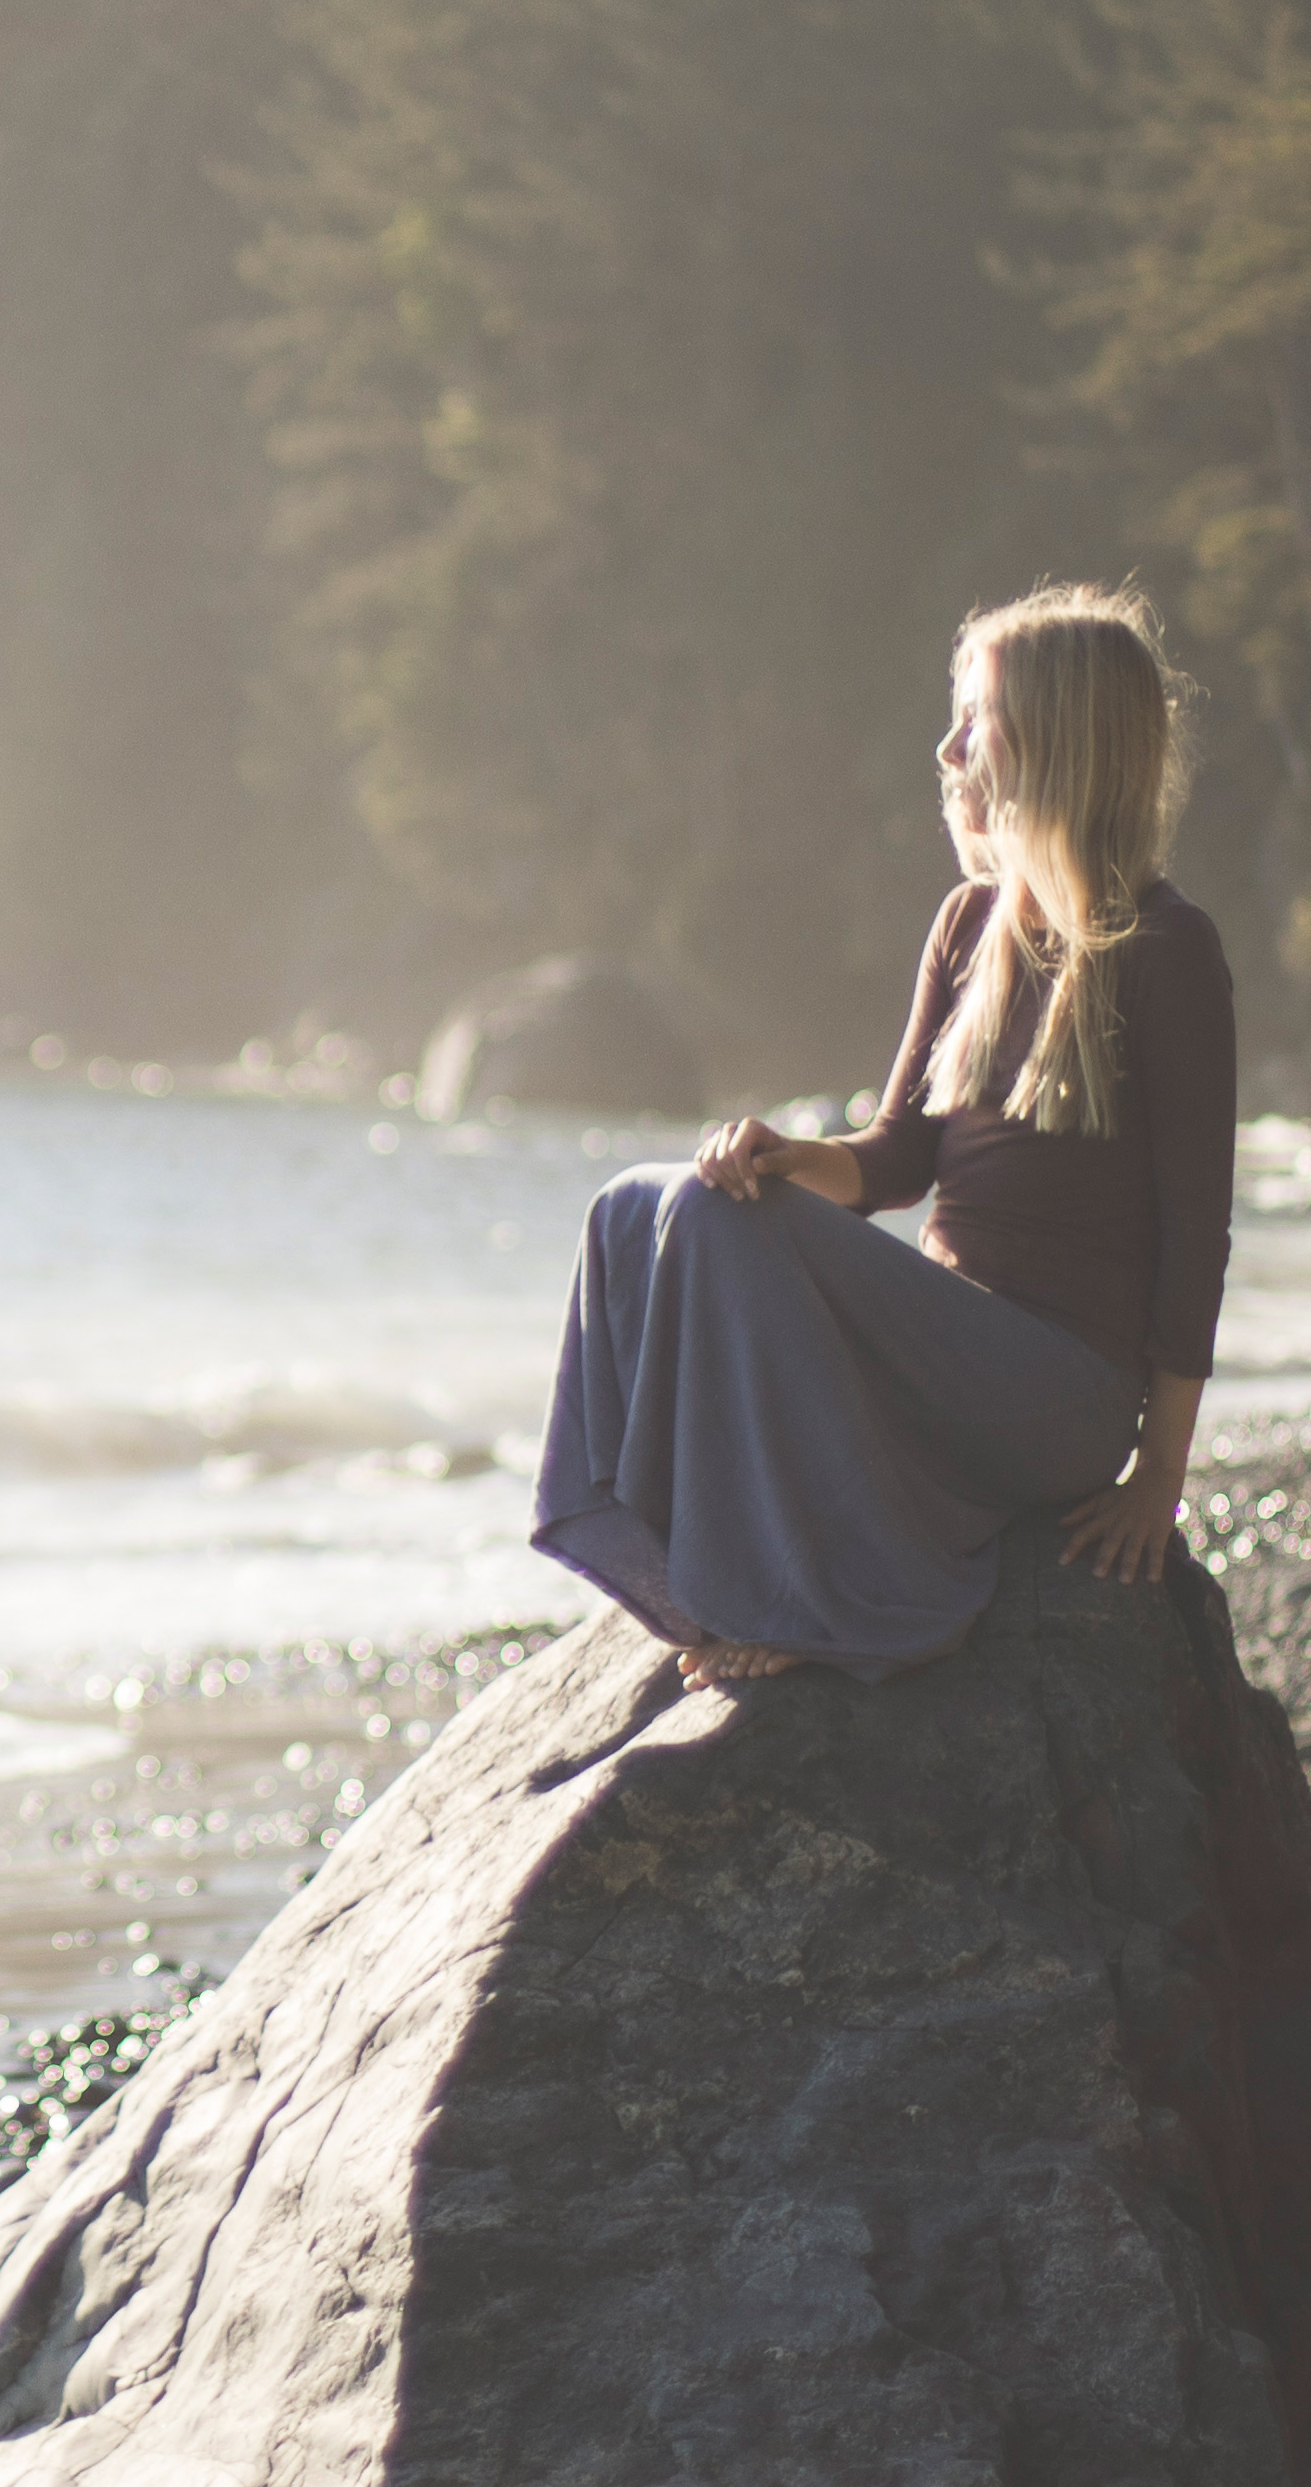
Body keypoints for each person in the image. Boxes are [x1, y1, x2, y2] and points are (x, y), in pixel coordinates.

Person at [528, 583, 1235, 1680]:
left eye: (975, 718)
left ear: (1050, 739)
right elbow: (897, 1159)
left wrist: (1159, 1477)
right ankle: (685, 1567)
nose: (948, 747)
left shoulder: (1166, 949)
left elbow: (1199, 1233)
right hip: (949, 1357)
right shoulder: (969, 925)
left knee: (717, 1233)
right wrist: (783, 1159)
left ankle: (784, 1603)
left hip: (1063, 1395)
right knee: (643, 1206)